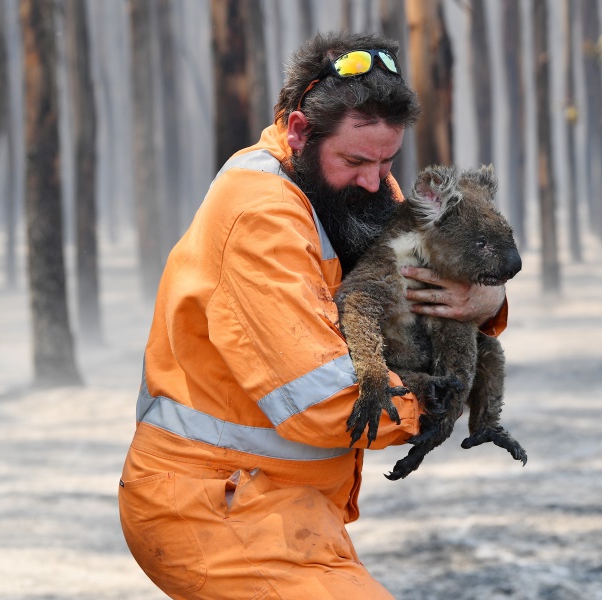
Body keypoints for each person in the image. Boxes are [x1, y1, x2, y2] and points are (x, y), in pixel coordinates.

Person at [118, 31, 508, 599]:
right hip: (215, 508)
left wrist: (488, 303)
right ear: (300, 131)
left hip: (284, 505)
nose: (378, 181)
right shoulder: (261, 217)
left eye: (388, 160)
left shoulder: (349, 186)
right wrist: (437, 401)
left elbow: (433, 275)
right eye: (356, 160)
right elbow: (322, 399)